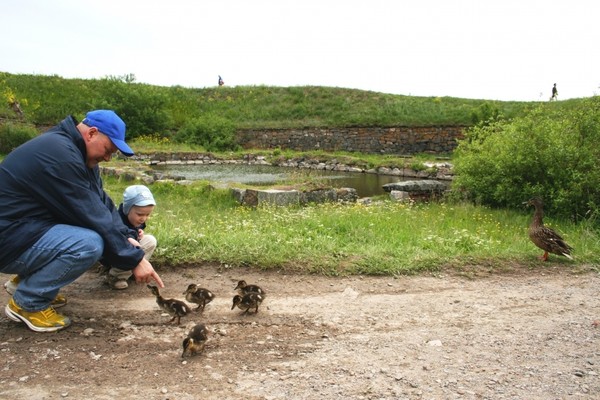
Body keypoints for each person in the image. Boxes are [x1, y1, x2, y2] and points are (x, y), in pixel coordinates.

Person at [0, 110, 164, 333]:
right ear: (92, 133)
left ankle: (29, 283)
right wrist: (134, 259)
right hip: (8, 237)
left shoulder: (75, 153)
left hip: (22, 230)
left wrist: (127, 234)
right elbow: (90, 213)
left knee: (90, 233)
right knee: (88, 243)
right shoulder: (60, 156)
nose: (108, 158)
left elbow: (101, 203)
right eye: (108, 150)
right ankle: (28, 303)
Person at [107, 185, 157, 290]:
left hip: (132, 248)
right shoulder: (117, 220)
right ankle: (116, 276)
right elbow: (118, 237)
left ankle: (134, 271)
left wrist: (139, 233)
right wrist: (131, 239)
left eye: (147, 214)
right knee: (130, 247)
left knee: (150, 240)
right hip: (116, 251)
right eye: (140, 214)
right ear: (127, 209)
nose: (144, 218)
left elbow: (134, 231)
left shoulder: (136, 219)